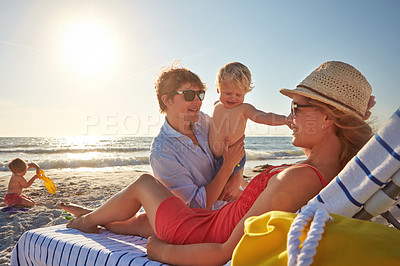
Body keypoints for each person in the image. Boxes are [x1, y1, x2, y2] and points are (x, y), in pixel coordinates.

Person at [61, 61, 375, 265]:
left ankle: (87, 223)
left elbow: (224, 252)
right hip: (209, 217)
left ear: (327, 118)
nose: (289, 118)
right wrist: (356, 116)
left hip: (202, 230)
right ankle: (95, 218)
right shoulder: (339, 169)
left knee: (145, 184)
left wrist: (160, 251)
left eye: (297, 107)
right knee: (145, 220)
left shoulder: (294, 180)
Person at [149, 63, 245, 210]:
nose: (198, 101)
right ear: (167, 100)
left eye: (200, 94)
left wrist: (237, 175)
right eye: (188, 95)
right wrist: (227, 167)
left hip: (234, 205)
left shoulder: (204, 121)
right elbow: (195, 206)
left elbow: (235, 147)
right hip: (208, 219)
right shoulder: (162, 152)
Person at [210, 62, 287, 199]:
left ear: (245, 92)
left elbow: (264, 117)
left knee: (226, 193)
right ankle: (253, 191)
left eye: (238, 94)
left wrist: (285, 119)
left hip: (235, 157)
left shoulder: (244, 108)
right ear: (218, 89)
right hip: (217, 159)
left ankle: (251, 200)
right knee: (225, 187)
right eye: (228, 93)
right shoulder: (216, 106)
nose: (233, 98)